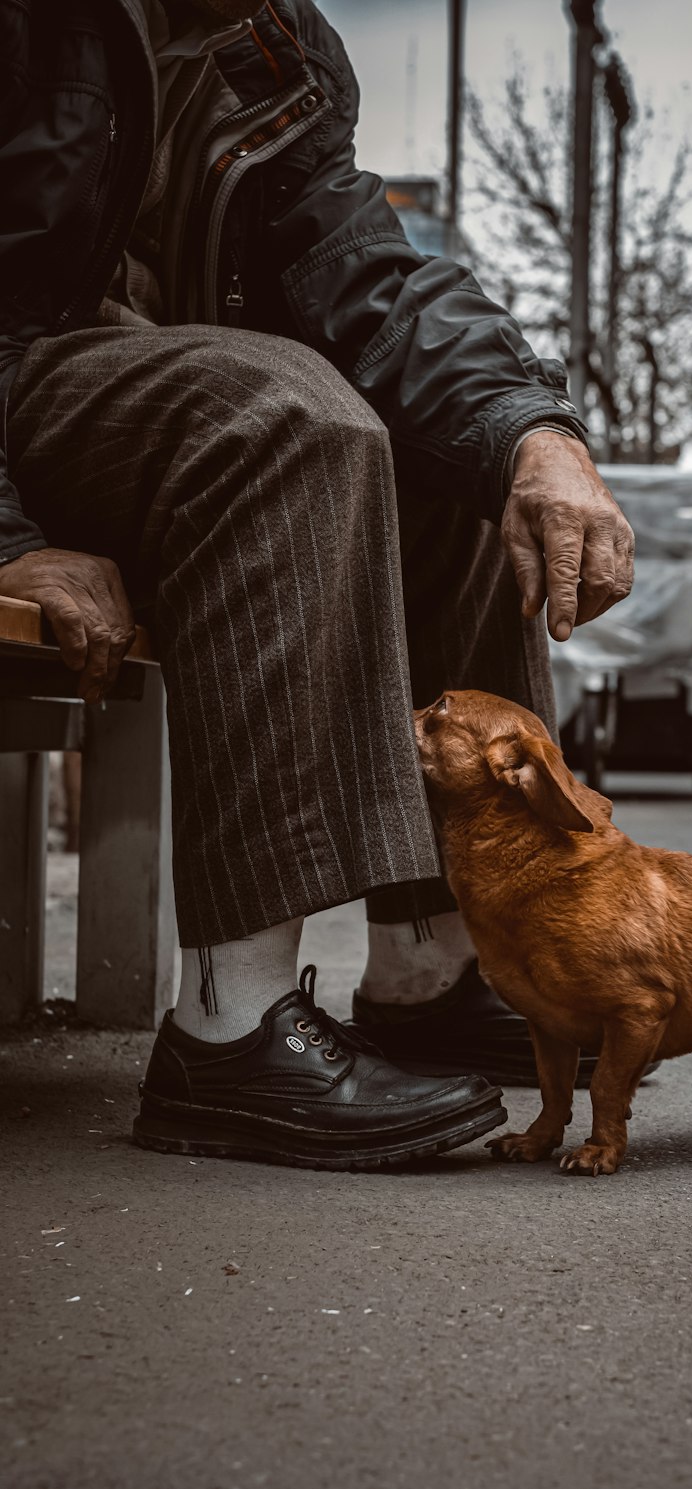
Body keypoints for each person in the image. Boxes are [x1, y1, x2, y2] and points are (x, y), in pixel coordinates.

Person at [0, 0, 635, 1169]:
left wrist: (533, 432)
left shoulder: (259, 37)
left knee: (453, 467)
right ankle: (228, 1029)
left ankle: (430, 970)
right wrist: (6, 537)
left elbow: (372, 282)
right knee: (288, 415)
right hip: (20, 395)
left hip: (135, 410)